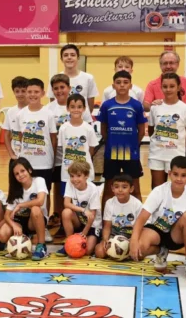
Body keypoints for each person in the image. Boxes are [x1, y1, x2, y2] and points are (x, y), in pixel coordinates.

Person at [129, 156, 186, 284]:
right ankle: (161, 251)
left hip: (176, 236)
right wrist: (134, 240)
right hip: (157, 231)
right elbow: (142, 218)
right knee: (138, 250)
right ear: (169, 174)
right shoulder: (159, 191)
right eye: (175, 174)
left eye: (183, 175)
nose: (179, 179)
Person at [47, 75, 94, 227]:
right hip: (62, 162)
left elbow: (91, 145)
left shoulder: (85, 122)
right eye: (56, 88)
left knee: (83, 193)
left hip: (80, 163)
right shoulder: (53, 113)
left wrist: (83, 160)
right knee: (63, 193)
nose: (59, 91)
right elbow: (56, 142)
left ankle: (88, 223)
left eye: (62, 87)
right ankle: (61, 221)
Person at [99, 71, 147, 206]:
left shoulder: (136, 105)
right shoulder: (107, 105)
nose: (122, 85)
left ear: (130, 86)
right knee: (109, 188)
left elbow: (141, 131)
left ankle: (137, 216)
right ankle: (106, 217)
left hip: (131, 154)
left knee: (135, 188)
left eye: (125, 82)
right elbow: (103, 129)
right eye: (118, 82)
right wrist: (111, 142)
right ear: (113, 85)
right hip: (111, 153)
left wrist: (133, 145)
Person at [55, 93, 98, 235]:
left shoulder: (88, 128)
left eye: (79, 107)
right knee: (67, 202)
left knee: (86, 200)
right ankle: (66, 226)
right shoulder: (64, 128)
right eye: (72, 107)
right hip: (67, 172)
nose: (76, 109)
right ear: (67, 108)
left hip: (84, 172)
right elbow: (62, 148)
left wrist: (82, 165)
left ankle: (88, 228)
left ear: (84, 108)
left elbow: (91, 149)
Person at [148, 72, 186, 188]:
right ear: (161, 87)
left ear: (179, 87)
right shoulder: (155, 107)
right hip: (157, 154)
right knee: (157, 188)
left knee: (176, 188)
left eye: (172, 86)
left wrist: (180, 147)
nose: (168, 89)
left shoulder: (185, 109)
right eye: (165, 86)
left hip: (176, 155)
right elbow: (151, 131)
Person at [0, 158, 50, 261]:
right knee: (1, 235)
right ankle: (24, 239)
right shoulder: (15, 189)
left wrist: (21, 205)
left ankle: (41, 246)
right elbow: (7, 215)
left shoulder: (39, 181)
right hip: (20, 221)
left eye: (22, 171)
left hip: (34, 221)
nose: (20, 175)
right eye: (17, 174)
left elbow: (40, 201)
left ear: (29, 170)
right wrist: (14, 225)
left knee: (35, 209)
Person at [57, 161, 102, 257]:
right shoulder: (70, 183)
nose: (75, 179)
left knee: (87, 250)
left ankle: (96, 240)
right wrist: (83, 210)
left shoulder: (93, 189)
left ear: (86, 176)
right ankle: (69, 244)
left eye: (78, 176)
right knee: (66, 212)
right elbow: (66, 203)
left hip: (92, 224)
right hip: (80, 221)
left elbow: (92, 215)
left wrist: (84, 233)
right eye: (72, 176)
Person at [95, 173, 143, 260]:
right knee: (99, 252)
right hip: (114, 236)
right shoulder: (109, 203)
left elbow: (141, 227)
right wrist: (105, 240)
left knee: (139, 255)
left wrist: (133, 241)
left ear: (131, 189)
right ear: (112, 188)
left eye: (124, 187)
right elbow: (107, 226)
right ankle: (120, 253)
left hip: (130, 237)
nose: (120, 190)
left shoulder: (137, 204)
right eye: (116, 187)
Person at [47, 44, 98, 112]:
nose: (69, 57)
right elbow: (52, 102)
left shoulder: (88, 78)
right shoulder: (54, 79)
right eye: (66, 55)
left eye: (72, 55)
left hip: (82, 117)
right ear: (61, 59)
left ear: (78, 58)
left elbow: (90, 106)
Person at [3, 76, 28, 183]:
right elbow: (6, 135)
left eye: (23, 91)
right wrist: (11, 154)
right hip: (16, 157)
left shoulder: (33, 110)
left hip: (31, 157)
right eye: (17, 91)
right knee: (15, 187)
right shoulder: (11, 112)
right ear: (13, 92)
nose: (20, 94)